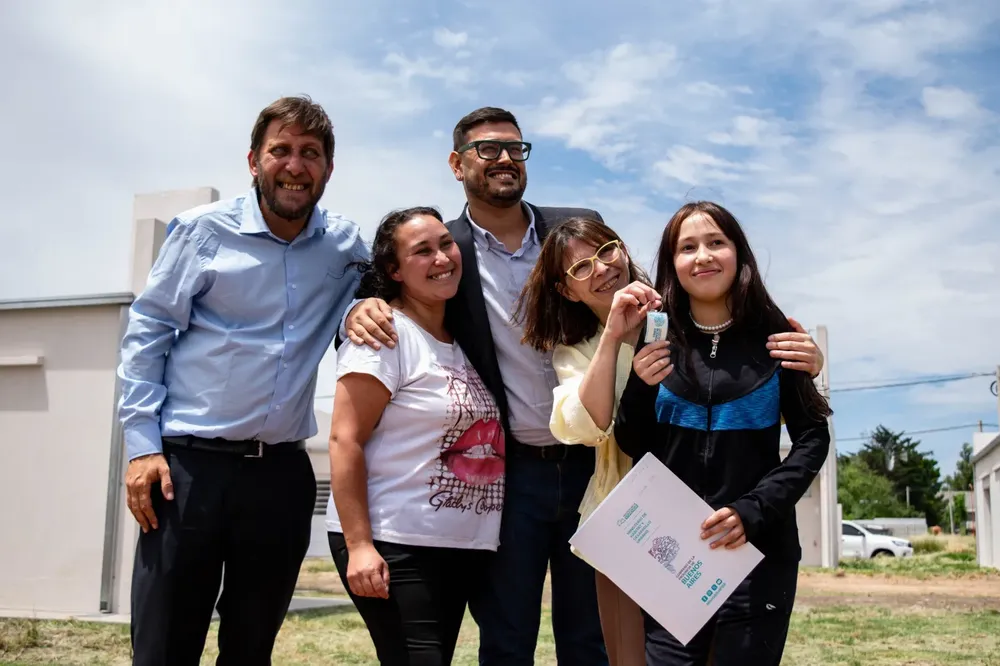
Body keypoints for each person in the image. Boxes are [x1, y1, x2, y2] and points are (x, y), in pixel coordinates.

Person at [344, 107, 610, 665]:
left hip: (596, 466)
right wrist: (357, 310)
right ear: (457, 163)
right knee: (508, 636)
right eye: (487, 149)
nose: (505, 159)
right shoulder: (448, 249)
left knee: (591, 636)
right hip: (513, 480)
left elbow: (637, 295)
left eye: (516, 148)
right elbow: (385, 294)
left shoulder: (576, 227)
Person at [116, 95, 367, 666]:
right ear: (253, 161)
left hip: (280, 477)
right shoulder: (202, 233)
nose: (295, 165)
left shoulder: (347, 246)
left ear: (328, 167)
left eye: (311, 153)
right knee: (162, 648)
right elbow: (147, 333)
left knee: (251, 649)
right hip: (187, 473)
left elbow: (375, 304)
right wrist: (140, 449)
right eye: (281, 150)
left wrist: (363, 310)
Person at [513, 216, 824, 666]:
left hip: (756, 545)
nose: (600, 269)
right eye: (581, 269)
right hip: (650, 532)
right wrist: (627, 357)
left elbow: (812, 433)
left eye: (606, 252)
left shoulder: (756, 333)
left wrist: (754, 509)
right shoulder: (643, 341)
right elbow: (617, 434)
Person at [613, 201, 833, 665]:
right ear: (672, 264)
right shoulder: (657, 338)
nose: (703, 256)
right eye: (687, 247)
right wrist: (638, 384)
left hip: (758, 554)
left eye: (716, 242)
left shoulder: (778, 338)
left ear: (739, 253)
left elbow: (813, 438)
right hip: (671, 555)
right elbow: (632, 443)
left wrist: (753, 510)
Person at [326, 206, 506, 665]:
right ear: (394, 270)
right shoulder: (385, 335)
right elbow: (344, 440)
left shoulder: (464, 342)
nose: (442, 257)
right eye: (422, 251)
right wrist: (360, 546)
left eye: (446, 244)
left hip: (460, 548)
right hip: (396, 543)